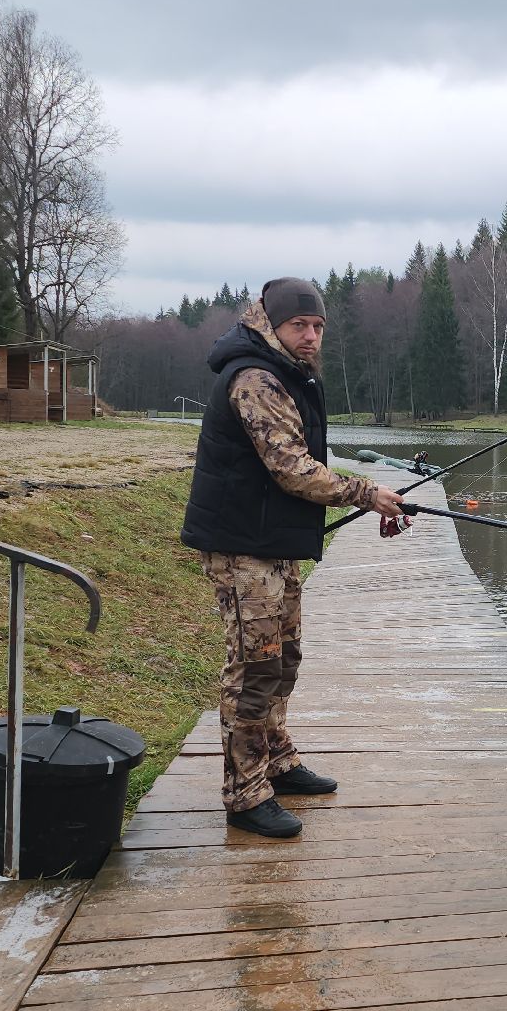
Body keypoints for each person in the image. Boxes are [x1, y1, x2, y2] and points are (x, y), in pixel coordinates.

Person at [180, 277, 404, 838]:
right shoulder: (255, 378)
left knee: (284, 658)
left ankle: (277, 762)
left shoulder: (287, 371)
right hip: (242, 547)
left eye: (318, 326)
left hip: (271, 543)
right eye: (299, 326)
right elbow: (291, 468)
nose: (311, 336)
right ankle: (245, 792)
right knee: (254, 668)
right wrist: (367, 492)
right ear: (271, 325)